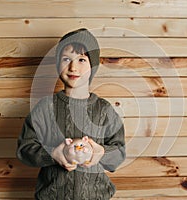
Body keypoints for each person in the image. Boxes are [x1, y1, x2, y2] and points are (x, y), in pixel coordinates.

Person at [16, 28, 126, 200]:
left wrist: (101, 153)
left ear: (93, 66)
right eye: (66, 59)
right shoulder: (45, 108)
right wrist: (52, 154)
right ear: (58, 64)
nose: (73, 67)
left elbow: (119, 152)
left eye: (82, 59)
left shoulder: (104, 110)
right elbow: (24, 149)